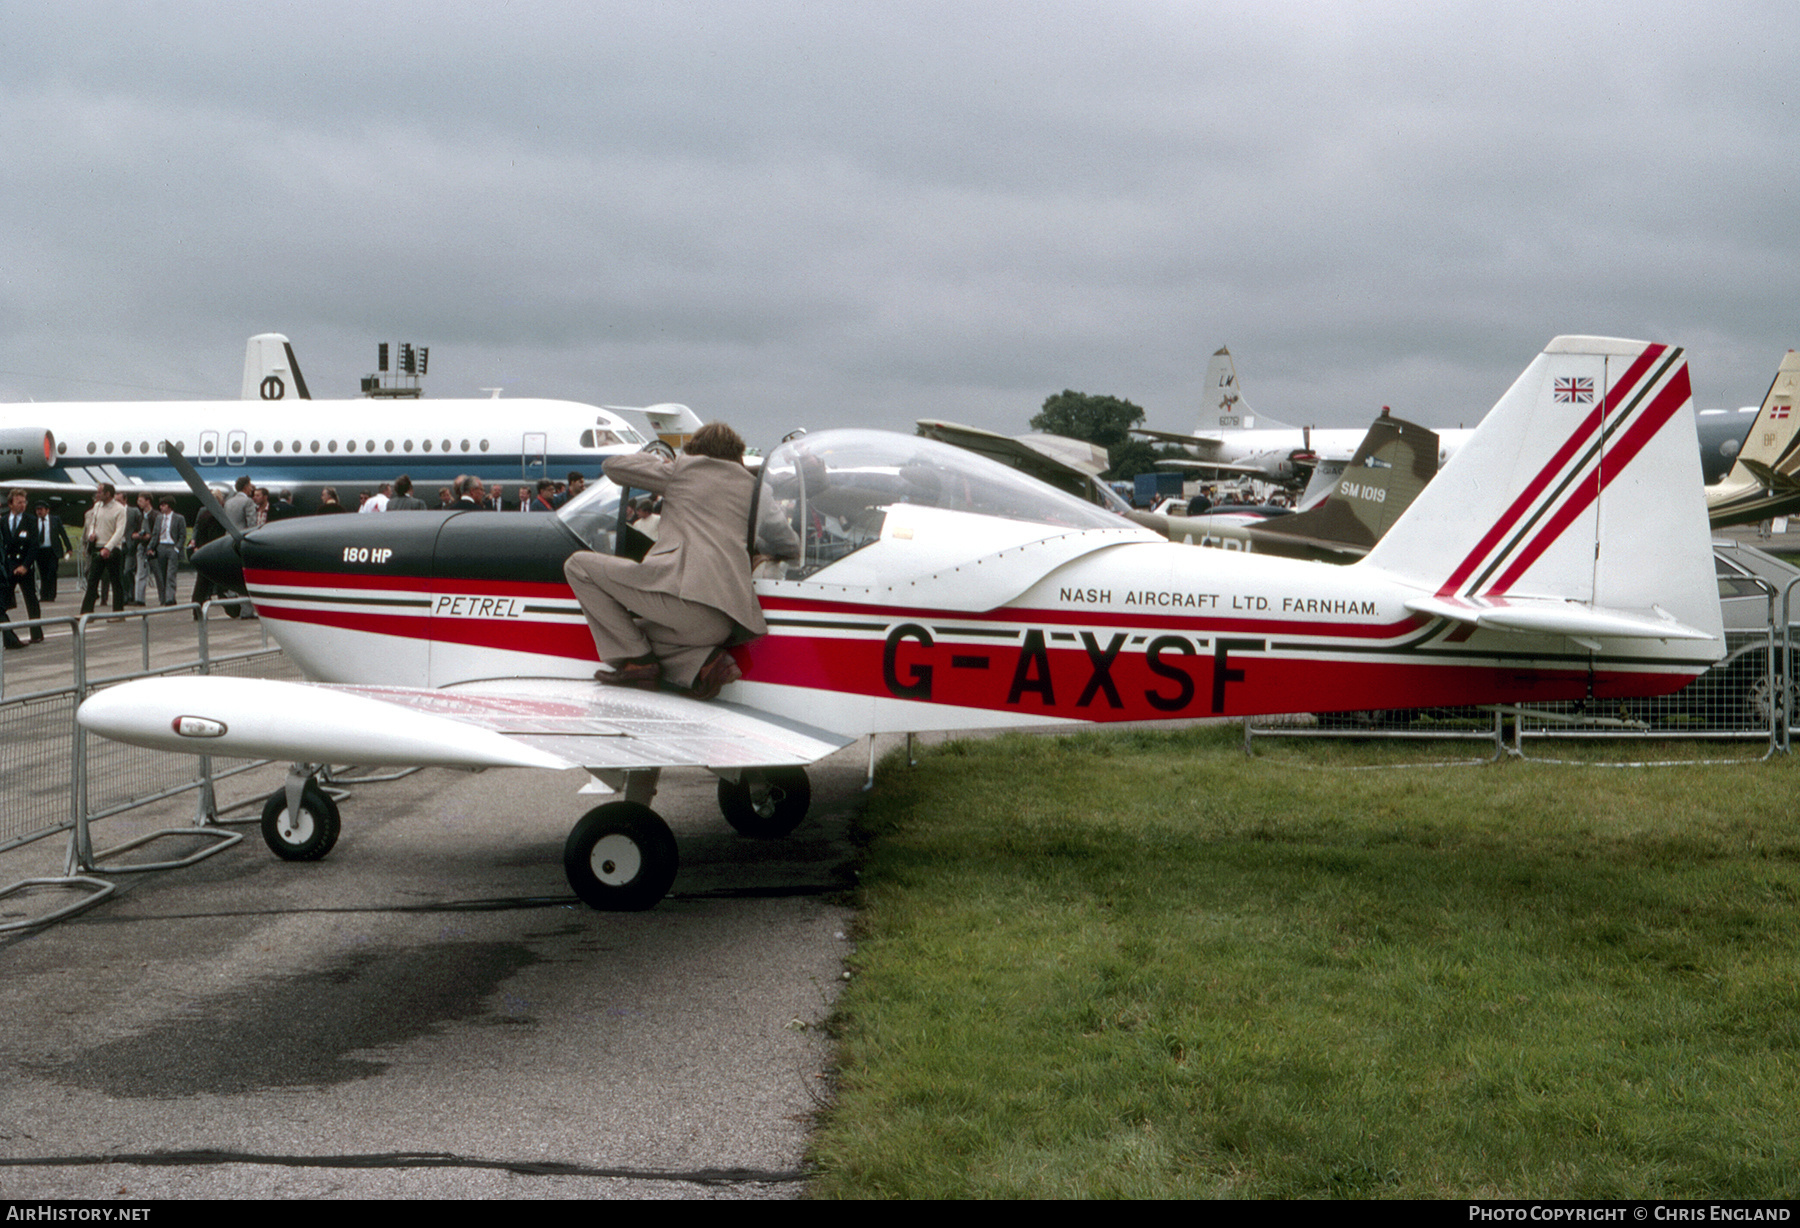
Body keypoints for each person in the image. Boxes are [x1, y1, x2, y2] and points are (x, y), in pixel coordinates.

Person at [563, 423, 766, 699]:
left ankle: (638, 664)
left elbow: (613, 466)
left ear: (696, 453)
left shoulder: (685, 471)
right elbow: (786, 541)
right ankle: (704, 665)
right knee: (639, 634)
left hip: (684, 603)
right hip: (724, 623)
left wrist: (662, 461)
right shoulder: (753, 487)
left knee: (577, 566)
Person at [80, 483, 127, 615]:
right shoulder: (97, 506)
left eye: (100, 492)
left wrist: (108, 547)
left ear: (108, 494)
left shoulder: (120, 509)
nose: (97, 494)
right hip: (98, 546)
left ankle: (118, 613)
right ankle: (86, 613)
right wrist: (91, 535)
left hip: (113, 549)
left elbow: (119, 531)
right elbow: (92, 524)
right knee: (92, 580)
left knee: (116, 581)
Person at [3, 488, 42, 645]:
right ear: (11, 503)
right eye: (19, 502)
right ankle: (7, 635)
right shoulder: (3, 521)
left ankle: (36, 633)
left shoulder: (31, 520)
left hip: (24, 566)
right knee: (3, 601)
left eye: (24, 502)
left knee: (31, 600)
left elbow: (34, 546)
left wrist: (26, 565)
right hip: (8, 567)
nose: (22, 505)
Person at [32, 502, 68, 602]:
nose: (39, 511)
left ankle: (51, 595)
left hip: (52, 551)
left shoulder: (55, 520)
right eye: (37, 510)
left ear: (47, 510)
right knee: (43, 574)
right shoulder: (34, 521)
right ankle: (44, 595)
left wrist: (68, 547)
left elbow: (63, 533)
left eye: (41, 509)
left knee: (52, 572)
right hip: (40, 551)